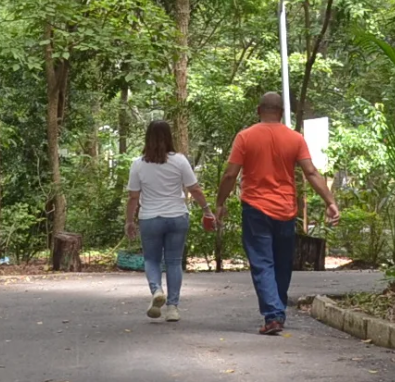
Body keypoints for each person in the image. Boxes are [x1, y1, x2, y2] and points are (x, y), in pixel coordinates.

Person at [209, 91, 339, 335]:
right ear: (281, 113)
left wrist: (220, 202)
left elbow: (230, 174)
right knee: (281, 264)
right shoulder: (295, 138)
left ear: (259, 110)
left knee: (262, 262)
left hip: (255, 208)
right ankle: (276, 312)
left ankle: (273, 314)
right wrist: (330, 201)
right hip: (286, 210)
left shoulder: (245, 137)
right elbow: (311, 172)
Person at [125, 119, 210, 323]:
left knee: (152, 259)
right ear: (169, 137)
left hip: (151, 218)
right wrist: (207, 210)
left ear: (148, 138)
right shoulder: (180, 161)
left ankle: (156, 290)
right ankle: (172, 308)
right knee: (173, 262)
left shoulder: (138, 164)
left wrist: (129, 221)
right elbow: (194, 189)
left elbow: (133, 197)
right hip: (177, 217)